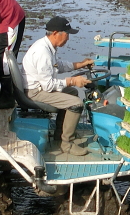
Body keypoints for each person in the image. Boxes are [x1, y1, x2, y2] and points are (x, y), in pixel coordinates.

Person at [20, 16, 95, 157]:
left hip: (40, 87)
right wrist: (72, 80)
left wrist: (80, 64)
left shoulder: (48, 47)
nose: (68, 38)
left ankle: (59, 135)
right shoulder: (42, 52)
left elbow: (57, 65)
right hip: (35, 92)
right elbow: (48, 86)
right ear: (55, 33)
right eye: (66, 34)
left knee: (72, 92)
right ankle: (67, 144)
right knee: (77, 104)